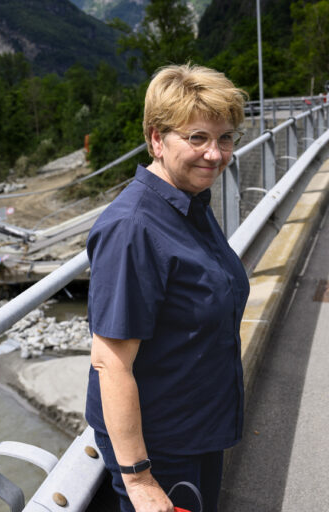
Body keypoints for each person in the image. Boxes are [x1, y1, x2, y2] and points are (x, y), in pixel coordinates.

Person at [85, 64, 250, 512]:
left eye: (225, 138)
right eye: (197, 138)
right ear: (157, 139)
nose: (214, 154)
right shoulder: (134, 228)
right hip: (162, 455)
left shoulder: (190, 203)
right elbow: (110, 363)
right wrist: (139, 481)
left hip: (199, 435)